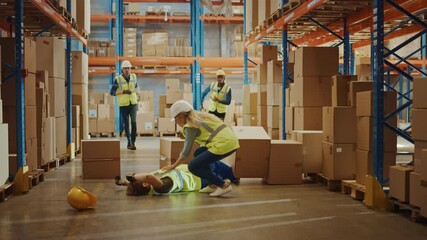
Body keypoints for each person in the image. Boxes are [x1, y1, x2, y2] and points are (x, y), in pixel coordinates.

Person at [162, 100, 239, 197]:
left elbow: (185, 152)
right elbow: (204, 135)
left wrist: (173, 166)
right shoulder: (200, 118)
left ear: (180, 116)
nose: (177, 122)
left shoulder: (190, 126)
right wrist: (187, 136)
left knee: (193, 166)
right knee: (198, 153)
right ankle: (211, 185)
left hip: (223, 144)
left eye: (176, 119)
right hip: (230, 141)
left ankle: (223, 184)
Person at [115, 161, 237, 196]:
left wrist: (125, 182)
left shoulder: (151, 185)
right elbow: (147, 176)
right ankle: (230, 179)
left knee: (215, 165)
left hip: (193, 172)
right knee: (216, 165)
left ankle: (227, 177)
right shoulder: (162, 187)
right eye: (138, 178)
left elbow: (143, 180)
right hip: (199, 178)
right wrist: (134, 177)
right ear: (145, 184)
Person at [110, 60, 140, 150]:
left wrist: (139, 95)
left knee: (134, 122)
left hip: (133, 103)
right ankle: (129, 141)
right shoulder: (118, 79)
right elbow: (112, 92)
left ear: (130, 69)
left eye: (128, 68)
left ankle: (133, 142)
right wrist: (123, 91)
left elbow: (136, 86)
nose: (127, 70)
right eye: (125, 68)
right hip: (123, 104)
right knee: (126, 124)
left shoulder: (134, 77)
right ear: (122, 69)